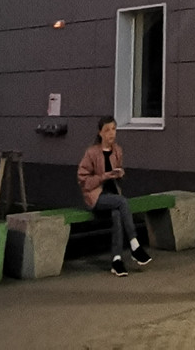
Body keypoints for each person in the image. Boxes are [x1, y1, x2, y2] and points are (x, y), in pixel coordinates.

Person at [76, 115, 152, 276]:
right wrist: (103, 176)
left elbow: (118, 176)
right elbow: (83, 181)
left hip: (113, 197)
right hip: (96, 197)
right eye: (107, 130)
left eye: (114, 129)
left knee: (117, 214)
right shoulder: (91, 153)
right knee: (122, 202)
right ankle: (134, 245)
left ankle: (116, 260)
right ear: (100, 133)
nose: (111, 133)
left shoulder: (117, 150)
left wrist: (120, 174)